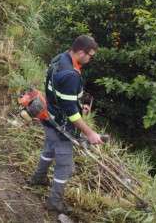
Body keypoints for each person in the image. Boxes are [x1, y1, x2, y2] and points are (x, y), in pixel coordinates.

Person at [29, 35, 104, 214]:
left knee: (48, 149)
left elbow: (61, 95)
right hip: (61, 126)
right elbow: (71, 114)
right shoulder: (71, 75)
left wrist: (79, 105)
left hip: (48, 116)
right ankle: (55, 203)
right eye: (90, 55)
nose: (90, 59)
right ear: (80, 52)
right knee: (64, 166)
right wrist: (90, 133)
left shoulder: (60, 58)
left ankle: (38, 178)